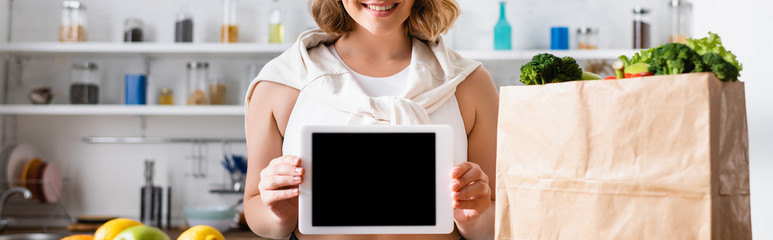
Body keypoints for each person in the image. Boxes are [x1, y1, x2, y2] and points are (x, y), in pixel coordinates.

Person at [243, 0, 498, 239]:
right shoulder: (281, 83)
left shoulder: (470, 83)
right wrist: (279, 212)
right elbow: (255, 208)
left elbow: (500, 215)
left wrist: (473, 218)